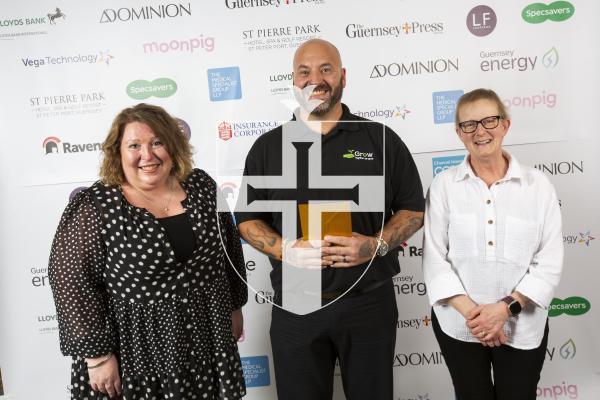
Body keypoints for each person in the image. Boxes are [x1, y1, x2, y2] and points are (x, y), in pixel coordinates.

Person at [235, 39, 424, 400]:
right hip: (296, 305)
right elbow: (247, 220)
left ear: (343, 76)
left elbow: (413, 210)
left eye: (326, 69)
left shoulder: (380, 140)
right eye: (304, 71)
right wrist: (285, 249)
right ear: (293, 80)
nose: (315, 79)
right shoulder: (268, 148)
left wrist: (375, 245)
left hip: (368, 303)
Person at [48, 103, 247, 400]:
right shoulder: (97, 205)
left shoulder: (202, 186)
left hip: (206, 339)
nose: (147, 155)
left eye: (157, 142)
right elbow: (71, 281)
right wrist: (98, 357)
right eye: (134, 145)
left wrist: (234, 306)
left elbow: (228, 250)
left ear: (173, 145)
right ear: (118, 152)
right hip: (136, 353)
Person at [422, 88, 563, 400]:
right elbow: (434, 259)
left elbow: (549, 262)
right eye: (469, 124)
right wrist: (477, 316)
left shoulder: (538, 186)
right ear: (459, 133)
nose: (480, 131)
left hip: (522, 323)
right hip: (459, 324)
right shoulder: (444, 186)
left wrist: (504, 309)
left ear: (505, 125)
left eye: (489, 121)